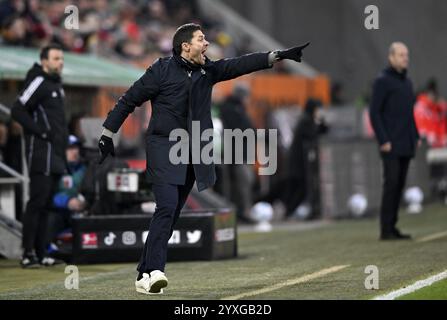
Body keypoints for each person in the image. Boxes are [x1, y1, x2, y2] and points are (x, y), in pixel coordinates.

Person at [97, 23, 310, 295]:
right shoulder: (160, 70)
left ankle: (143, 272)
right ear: (186, 46)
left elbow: (239, 65)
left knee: (171, 213)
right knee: (166, 207)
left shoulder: (207, 71)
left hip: (193, 152)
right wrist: (107, 134)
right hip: (164, 148)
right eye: (201, 39)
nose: (207, 43)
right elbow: (128, 100)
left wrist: (276, 56)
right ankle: (156, 271)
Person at [11, 43, 68, 267]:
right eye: (55, 58)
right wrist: (40, 132)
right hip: (41, 152)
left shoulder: (57, 85)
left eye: (61, 58)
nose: (60, 62)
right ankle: (27, 254)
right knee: (37, 202)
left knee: (47, 205)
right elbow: (17, 108)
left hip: (55, 154)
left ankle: (42, 252)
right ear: (44, 61)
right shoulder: (39, 81)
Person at [369, 42, 420, 241]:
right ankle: (385, 229)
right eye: (401, 55)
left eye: (406, 55)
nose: (405, 58)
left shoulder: (407, 83)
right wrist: (383, 139)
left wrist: (415, 135)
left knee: (399, 185)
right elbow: (374, 113)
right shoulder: (382, 81)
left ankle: (393, 225)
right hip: (390, 142)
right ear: (391, 57)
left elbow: (409, 114)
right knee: (391, 184)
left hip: (406, 141)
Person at [284, 98, 328, 219]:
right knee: (300, 188)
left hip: (302, 162)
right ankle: (289, 212)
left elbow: (321, 131)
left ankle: (290, 211)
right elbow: (312, 134)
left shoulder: (308, 120)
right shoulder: (305, 121)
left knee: (299, 188)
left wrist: (321, 123)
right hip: (299, 162)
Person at [219, 83, 256, 223]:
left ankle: (242, 212)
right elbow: (240, 130)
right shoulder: (231, 109)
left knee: (242, 183)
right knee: (242, 183)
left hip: (240, 152)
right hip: (236, 152)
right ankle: (243, 212)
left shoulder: (237, 108)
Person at [48, 135, 87, 244]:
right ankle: (49, 247)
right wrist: (67, 201)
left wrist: (85, 202)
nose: (74, 152)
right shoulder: (54, 171)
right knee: (50, 217)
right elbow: (48, 196)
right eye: (69, 148)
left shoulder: (86, 169)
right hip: (61, 212)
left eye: (75, 148)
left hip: (83, 211)